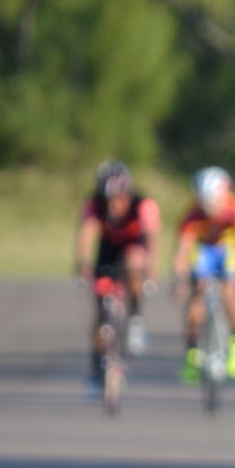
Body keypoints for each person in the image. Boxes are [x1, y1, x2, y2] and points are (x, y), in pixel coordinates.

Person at [73, 160, 159, 395]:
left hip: (134, 249)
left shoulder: (143, 204)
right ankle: (96, 369)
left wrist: (151, 270)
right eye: (108, 200)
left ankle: (136, 319)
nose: (113, 205)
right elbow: (86, 234)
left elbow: (152, 238)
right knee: (101, 314)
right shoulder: (93, 205)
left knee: (134, 261)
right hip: (107, 253)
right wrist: (82, 266)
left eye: (118, 199)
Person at [171, 166, 235, 383]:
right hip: (205, 252)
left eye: (213, 202)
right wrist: (180, 279)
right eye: (205, 203)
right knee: (198, 294)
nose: (210, 209)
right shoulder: (192, 214)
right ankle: (192, 351)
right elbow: (183, 250)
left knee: (230, 290)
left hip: (228, 250)